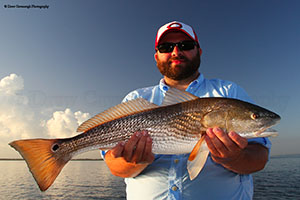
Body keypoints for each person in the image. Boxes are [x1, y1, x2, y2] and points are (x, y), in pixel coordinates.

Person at [103, 21, 271, 200]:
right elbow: (114, 166)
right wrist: (134, 162)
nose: (176, 52)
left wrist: (234, 158)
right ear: (156, 56)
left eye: (186, 45)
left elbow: (259, 157)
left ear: (199, 51)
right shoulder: (135, 98)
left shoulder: (229, 92)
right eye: (166, 47)